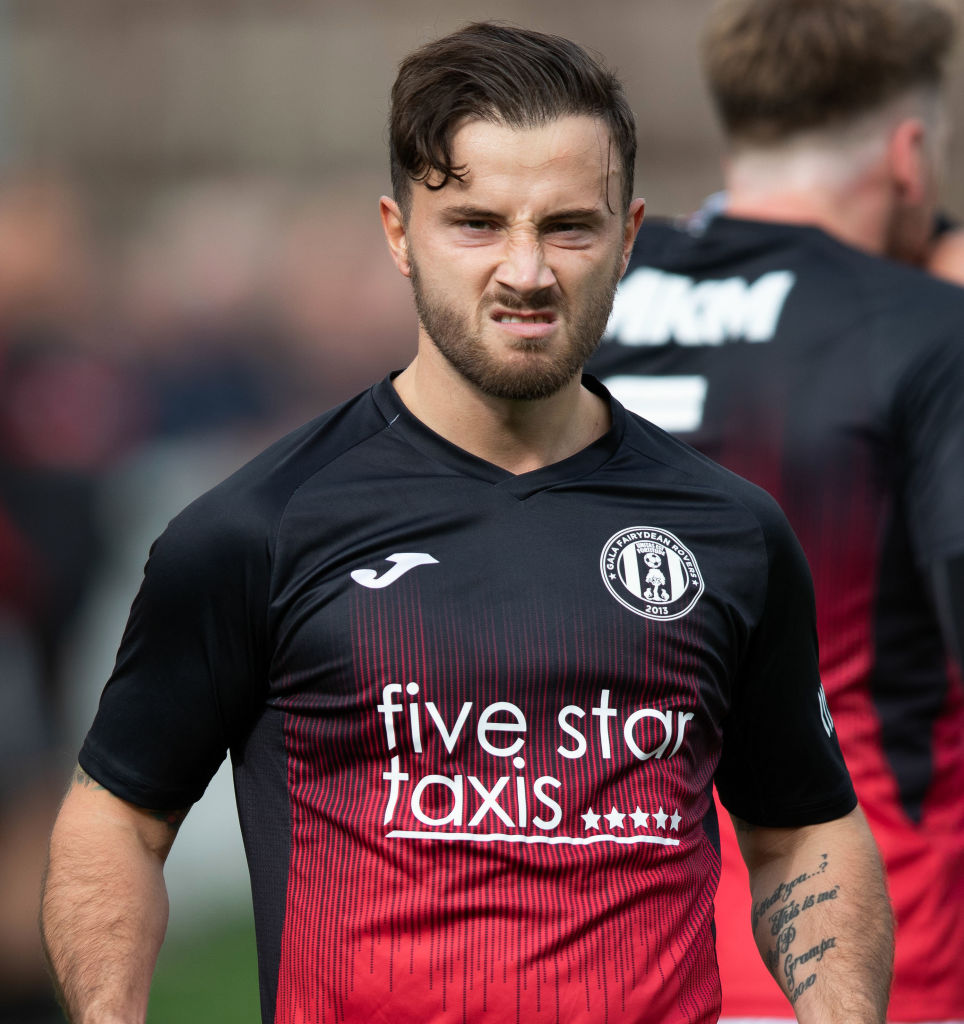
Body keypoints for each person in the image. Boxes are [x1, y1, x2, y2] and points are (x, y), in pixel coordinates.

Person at [40, 22, 893, 1024]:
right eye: (478, 224)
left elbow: (802, 832)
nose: (526, 272)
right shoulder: (256, 529)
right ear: (399, 233)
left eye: (568, 227)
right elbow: (120, 819)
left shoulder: (729, 534)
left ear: (629, 236)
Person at [589, 1, 964, 1021]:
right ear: (908, 157)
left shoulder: (569, 301)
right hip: (863, 968)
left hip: (600, 960)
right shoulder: (928, 334)